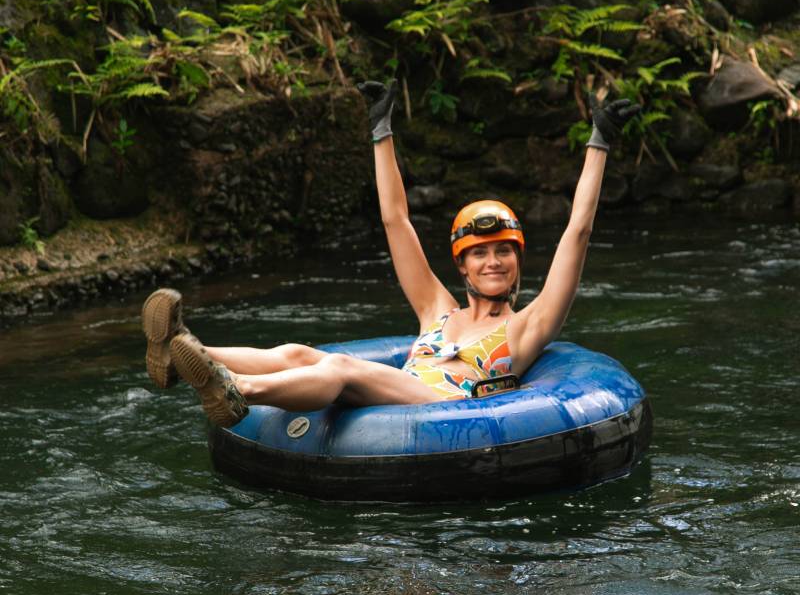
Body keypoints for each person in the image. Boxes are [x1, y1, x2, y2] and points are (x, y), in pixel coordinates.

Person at [141, 81, 638, 426]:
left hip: (447, 408)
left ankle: (237, 391)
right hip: (398, 399)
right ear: (462, 265)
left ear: (517, 262)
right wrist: (381, 129)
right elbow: (396, 220)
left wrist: (598, 143)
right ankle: (181, 347)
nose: (493, 261)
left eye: (504, 252)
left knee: (340, 368)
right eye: (480, 253)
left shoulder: (528, 326)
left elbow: (577, 231)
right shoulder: (437, 311)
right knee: (296, 353)